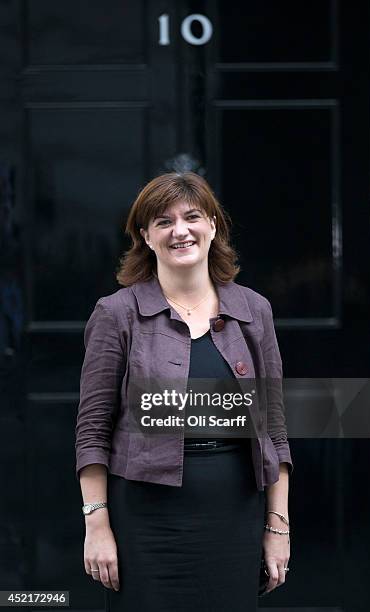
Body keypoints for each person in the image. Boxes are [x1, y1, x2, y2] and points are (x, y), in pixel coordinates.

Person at [75, 171, 293, 612]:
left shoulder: (254, 311)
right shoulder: (117, 315)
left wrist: (277, 526)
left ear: (213, 226)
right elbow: (93, 431)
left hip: (234, 519)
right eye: (162, 221)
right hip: (145, 523)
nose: (180, 231)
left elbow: (275, 429)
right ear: (146, 236)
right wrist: (96, 525)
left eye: (192, 217)